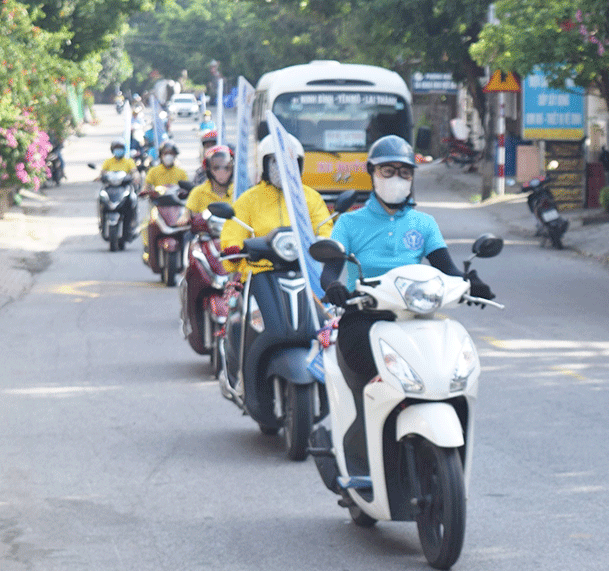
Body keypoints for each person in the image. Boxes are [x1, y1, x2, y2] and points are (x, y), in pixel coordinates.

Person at [320, 135, 495, 383]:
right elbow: (329, 271)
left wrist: (469, 281)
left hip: (415, 315)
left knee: (446, 368)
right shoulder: (349, 223)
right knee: (367, 367)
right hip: (362, 317)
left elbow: (448, 269)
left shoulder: (423, 224)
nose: (396, 179)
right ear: (372, 172)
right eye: (388, 171)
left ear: (412, 177)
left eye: (404, 173)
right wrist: (333, 286)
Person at [219, 133, 333, 281]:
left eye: (289, 161)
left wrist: (326, 242)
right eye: (275, 162)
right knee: (246, 303)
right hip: (259, 273)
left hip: (305, 271)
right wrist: (233, 248)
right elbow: (234, 230)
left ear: (298, 164)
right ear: (264, 163)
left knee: (327, 303)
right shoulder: (248, 199)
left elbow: (323, 226)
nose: (282, 168)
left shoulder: (311, 197)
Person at [96, 139, 139, 238]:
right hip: (110, 188)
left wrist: (136, 177)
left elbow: (134, 172)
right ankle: (102, 221)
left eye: (120, 148)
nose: (118, 150)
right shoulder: (108, 162)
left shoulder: (129, 162)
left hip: (124, 188)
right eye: (116, 148)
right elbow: (103, 172)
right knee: (101, 198)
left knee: (133, 199)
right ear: (112, 150)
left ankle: (132, 224)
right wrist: (100, 177)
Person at [185, 145, 234, 216]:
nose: (222, 172)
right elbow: (187, 215)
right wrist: (185, 218)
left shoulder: (238, 192)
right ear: (208, 169)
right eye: (216, 168)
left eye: (226, 167)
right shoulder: (198, 192)